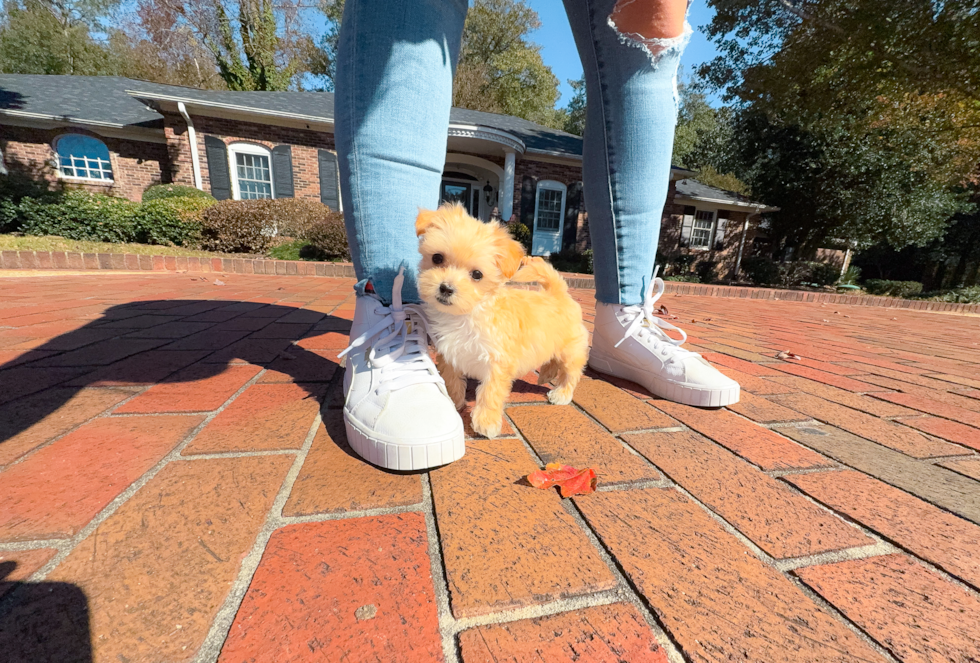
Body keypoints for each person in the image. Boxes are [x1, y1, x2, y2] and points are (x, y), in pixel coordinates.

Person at [336, 0, 740, 471]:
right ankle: (392, 314)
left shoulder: (504, 282)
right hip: (476, 319)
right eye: (438, 260)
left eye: (472, 272)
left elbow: (502, 363)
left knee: (648, 41)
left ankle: (627, 316)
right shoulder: (448, 248)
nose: (447, 281)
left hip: (541, 321)